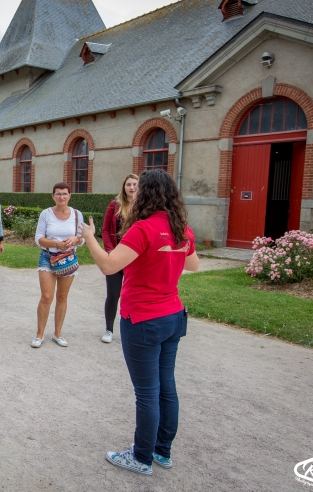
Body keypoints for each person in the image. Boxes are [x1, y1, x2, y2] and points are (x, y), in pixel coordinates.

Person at [80, 168, 199, 476]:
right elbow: (193, 265)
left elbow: (108, 266)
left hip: (143, 318)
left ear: (145, 193)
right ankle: (162, 451)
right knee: (166, 387)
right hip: (173, 315)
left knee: (147, 393)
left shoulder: (143, 228)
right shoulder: (181, 228)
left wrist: (89, 238)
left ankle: (142, 457)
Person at [32, 182, 84, 348]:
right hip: (47, 257)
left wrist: (76, 239)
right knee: (47, 297)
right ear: (53, 196)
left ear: (70, 195)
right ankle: (39, 334)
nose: (61, 197)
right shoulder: (46, 214)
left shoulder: (77, 214)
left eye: (64, 194)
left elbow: (82, 238)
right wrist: (56, 244)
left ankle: (58, 334)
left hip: (67, 259)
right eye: (58, 194)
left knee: (62, 297)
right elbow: (38, 238)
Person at [100, 174, 139, 343]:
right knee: (114, 293)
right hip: (116, 255)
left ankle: (133, 328)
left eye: (134, 184)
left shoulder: (144, 207)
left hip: (135, 257)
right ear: (123, 187)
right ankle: (109, 330)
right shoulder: (114, 205)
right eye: (128, 184)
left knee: (134, 294)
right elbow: (105, 231)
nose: (131, 187)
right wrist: (110, 251)